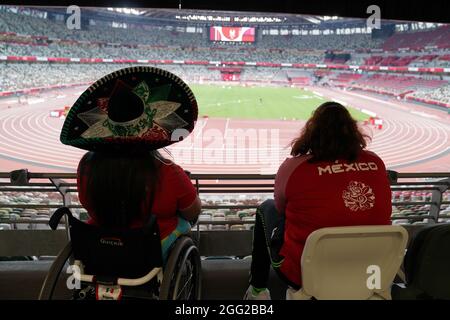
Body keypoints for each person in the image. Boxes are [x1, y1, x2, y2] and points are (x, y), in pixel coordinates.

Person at [244, 101, 392, 300]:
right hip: (370, 272)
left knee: (266, 208)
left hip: (305, 276)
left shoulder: (294, 168)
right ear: (353, 131)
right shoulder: (375, 162)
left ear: (312, 132)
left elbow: (281, 208)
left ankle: (258, 290)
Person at [60, 66, 201, 262]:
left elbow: (87, 203)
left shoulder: (86, 166)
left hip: (99, 243)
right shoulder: (169, 172)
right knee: (185, 223)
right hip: (149, 247)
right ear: (151, 133)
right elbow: (192, 211)